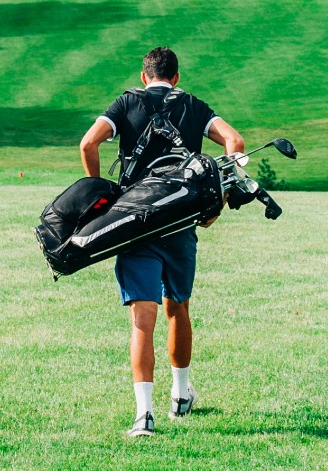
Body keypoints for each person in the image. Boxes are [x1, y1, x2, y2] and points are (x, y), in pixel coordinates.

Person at [78, 46, 246, 438]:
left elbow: (88, 144)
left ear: (144, 76)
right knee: (178, 307)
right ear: (175, 77)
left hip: (135, 225)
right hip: (180, 222)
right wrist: (218, 199)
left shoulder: (125, 103)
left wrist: (101, 195)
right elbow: (234, 143)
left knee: (142, 317)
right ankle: (181, 394)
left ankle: (143, 416)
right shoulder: (192, 105)